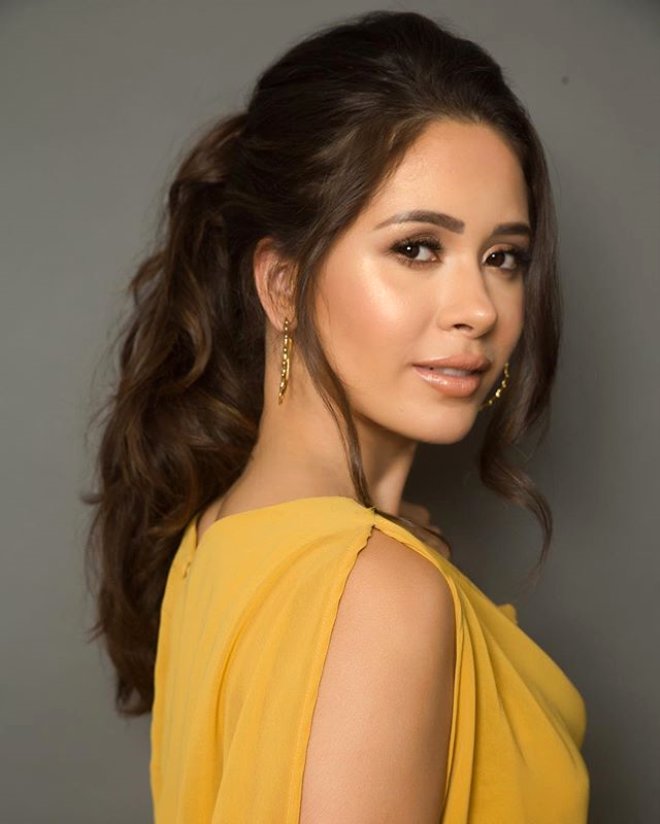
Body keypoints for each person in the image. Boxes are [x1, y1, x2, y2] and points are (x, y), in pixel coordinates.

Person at [83, 10, 589, 822]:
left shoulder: (214, 538)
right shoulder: (380, 594)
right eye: (417, 248)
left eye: (503, 258)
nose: (480, 309)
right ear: (283, 285)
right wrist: (392, 577)